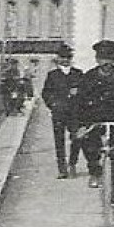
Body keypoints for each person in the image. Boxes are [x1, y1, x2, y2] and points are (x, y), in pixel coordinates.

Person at [72, 39, 114, 225]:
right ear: (97, 59)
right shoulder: (88, 78)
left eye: (109, 59)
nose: (106, 63)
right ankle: (94, 171)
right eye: (102, 59)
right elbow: (78, 104)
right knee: (88, 146)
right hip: (95, 125)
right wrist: (80, 126)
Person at [41, 47, 83, 179]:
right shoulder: (52, 75)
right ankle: (62, 168)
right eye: (62, 57)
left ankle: (72, 164)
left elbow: (85, 92)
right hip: (59, 112)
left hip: (75, 112)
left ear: (71, 59)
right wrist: (53, 104)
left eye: (68, 57)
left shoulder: (78, 74)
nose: (65, 60)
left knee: (77, 138)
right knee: (59, 140)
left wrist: (78, 94)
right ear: (58, 59)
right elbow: (45, 93)